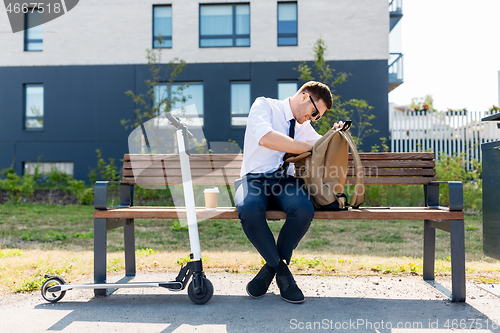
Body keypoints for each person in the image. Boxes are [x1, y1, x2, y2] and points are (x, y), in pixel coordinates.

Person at [235, 81, 345, 303]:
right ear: (305, 96)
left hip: (285, 182)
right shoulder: (264, 106)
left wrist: (335, 135)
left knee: (304, 209)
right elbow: (266, 138)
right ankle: (283, 273)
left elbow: (322, 147)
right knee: (249, 209)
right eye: (315, 112)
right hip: (253, 180)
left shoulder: (303, 125)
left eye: (319, 117)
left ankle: (270, 268)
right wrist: (305, 147)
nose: (314, 119)